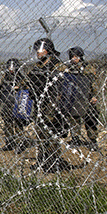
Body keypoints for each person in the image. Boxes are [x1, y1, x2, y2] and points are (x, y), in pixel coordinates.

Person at [24, 38, 70, 172]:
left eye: (41, 49)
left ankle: (53, 162)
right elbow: (28, 80)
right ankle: (42, 160)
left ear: (48, 50)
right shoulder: (37, 67)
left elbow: (65, 86)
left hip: (54, 106)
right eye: (37, 50)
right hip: (40, 105)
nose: (38, 52)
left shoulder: (58, 66)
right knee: (40, 134)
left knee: (52, 134)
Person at [64, 47, 99, 151]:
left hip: (87, 98)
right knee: (74, 120)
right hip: (74, 98)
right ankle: (75, 138)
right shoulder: (69, 69)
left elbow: (94, 83)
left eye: (76, 56)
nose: (74, 59)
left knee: (90, 120)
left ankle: (93, 141)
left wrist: (94, 95)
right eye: (72, 57)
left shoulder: (88, 68)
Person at [0, 58, 28, 151]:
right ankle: (10, 143)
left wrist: (19, 88)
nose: (11, 69)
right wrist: (1, 97)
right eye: (9, 67)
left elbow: (27, 90)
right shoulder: (4, 78)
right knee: (7, 126)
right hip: (6, 104)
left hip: (17, 105)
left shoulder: (21, 79)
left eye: (13, 67)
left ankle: (21, 144)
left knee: (18, 125)